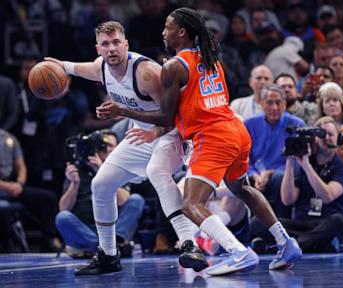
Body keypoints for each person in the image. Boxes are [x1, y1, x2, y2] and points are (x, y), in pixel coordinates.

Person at [97, 7, 302, 275]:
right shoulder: (210, 57)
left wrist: (121, 110)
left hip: (212, 135)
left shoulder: (173, 67)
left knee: (191, 205)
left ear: (181, 32)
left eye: (168, 27)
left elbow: (165, 117)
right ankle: (285, 242)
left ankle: (238, 252)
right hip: (236, 130)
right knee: (243, 189)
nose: (163, 32)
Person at [46, 20, 205, 276]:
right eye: (106, 44)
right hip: (141, 135)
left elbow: (175, 115)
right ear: (98, 48)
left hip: (171, 133)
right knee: (101, 184)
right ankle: (108, 254)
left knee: (158, 173)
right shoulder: (102, 68)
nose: (112, 49)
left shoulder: (146, 73)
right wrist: (59, 66)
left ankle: (190, 245)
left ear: (126, 44)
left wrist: (147, 128)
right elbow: (79, 68)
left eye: (117, 42)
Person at [251, 116, 343, 252]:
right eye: (322, 135)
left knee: (339, 222)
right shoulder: (302, 161)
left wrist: (307, 166)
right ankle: (314, 244)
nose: (326, 138)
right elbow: (287, 200)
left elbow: (327, 196)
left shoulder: (342, 167)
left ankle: (288, 245)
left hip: (326, 221)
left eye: (331, 134)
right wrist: (290, 164)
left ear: (338, 138)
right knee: (257, 222)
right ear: (314, 139)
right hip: (301, 222)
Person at [55, 129, 145, 257]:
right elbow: (63, 209)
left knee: (136, 200)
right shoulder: (77, 170)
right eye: (103, 146)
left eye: (111, 146)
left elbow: (124, 200)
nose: (107, 149)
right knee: (62, 217)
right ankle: (107, 248)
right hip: (85, 230)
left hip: (112, 230)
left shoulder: (120, 170)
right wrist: (74, 183)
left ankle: (109, 245)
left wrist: (102, 171)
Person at [244, 84, 305, 217]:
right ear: (261, 103)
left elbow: (298, 161)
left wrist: (270, 173)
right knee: (241, 179)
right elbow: (243, 158)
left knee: (279, 178)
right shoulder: (249, 124)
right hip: (254, 174)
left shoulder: (297, 124)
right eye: (269, 102)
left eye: (278, 102)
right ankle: (252, 230)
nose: (274, 107)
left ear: (285, 103)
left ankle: (282, 223)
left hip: (283, 174)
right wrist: (255, 175)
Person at [0, 129, 60, 252]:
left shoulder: (8, 137)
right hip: (4, 187)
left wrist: (20, 184)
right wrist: (7, 186)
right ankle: (8, 247)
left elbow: (21, 166)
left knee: (48, 198)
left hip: (12, 186)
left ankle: (49, 241)